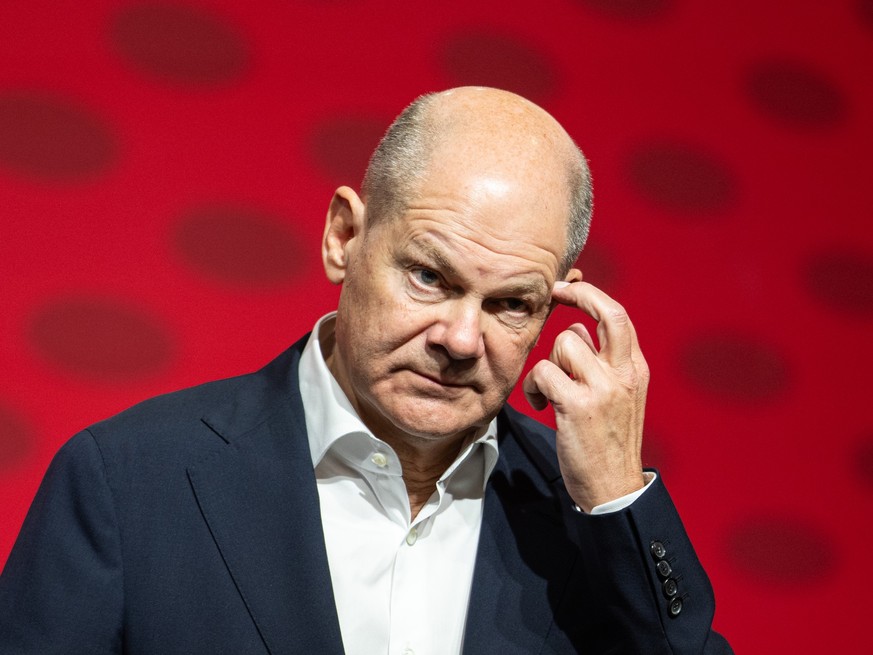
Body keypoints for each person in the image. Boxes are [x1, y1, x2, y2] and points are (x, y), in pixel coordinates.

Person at [0, 87, 731, 654]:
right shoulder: (129, 481)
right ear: (343, 236)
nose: (459, 337)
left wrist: (614, 499)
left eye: (510, 302)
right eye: (428, 276)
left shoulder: (585, 525)